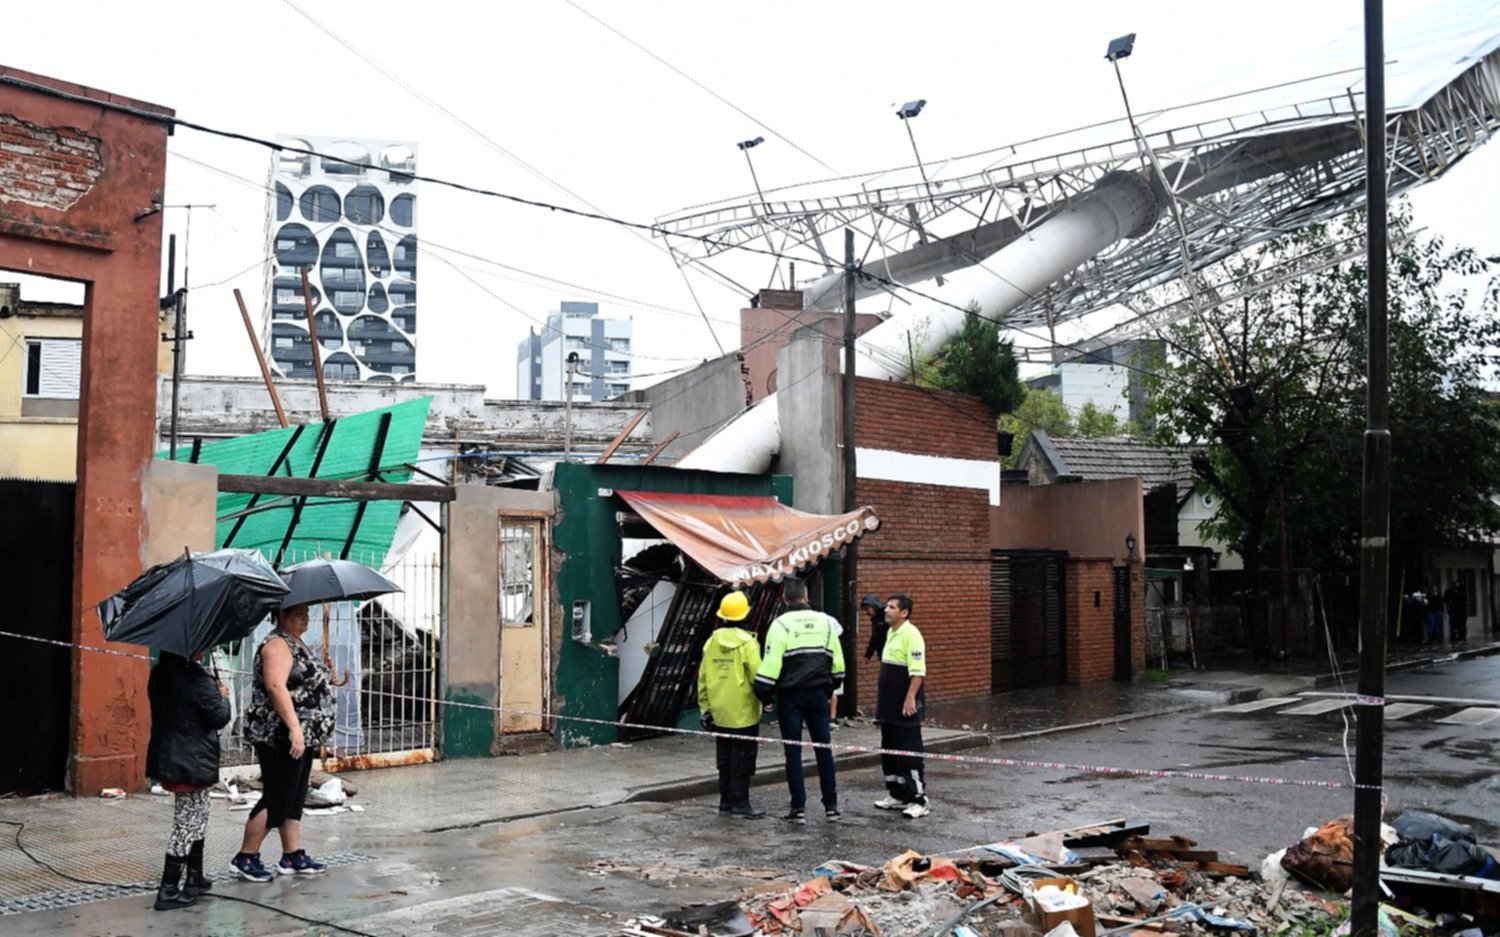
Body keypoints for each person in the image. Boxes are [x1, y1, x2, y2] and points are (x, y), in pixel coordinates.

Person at [231, 602, 336, 882]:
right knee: (277, 797)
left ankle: (292, 853)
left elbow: (299, 682)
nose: (306, 619)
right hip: (281, 735)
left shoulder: (294, 642)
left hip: (301, 734)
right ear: (282, 616)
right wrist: (294, 729)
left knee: (294, 794)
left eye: (307, 614)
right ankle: (246, 855)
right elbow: (275, 686)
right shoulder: (276, 644)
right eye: (300, 614)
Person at [754, 577, 845, 824]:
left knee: (792, 751)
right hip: (818, 694)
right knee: (823, 748)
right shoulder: (824, 622)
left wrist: (764, 695)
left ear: (784, 598)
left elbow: (771, 664)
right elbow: (837, 662)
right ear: (806, 596)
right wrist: (830, 688)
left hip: (791, 697)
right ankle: (832, 807)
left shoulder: (780, 625)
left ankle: (799, 808)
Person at [146, 651, 232, 910]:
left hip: (172, 755)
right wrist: (223, 697)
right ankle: (168, 889)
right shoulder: (197, 678)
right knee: (185, 824)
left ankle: (195, 877)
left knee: (198, 815)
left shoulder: (160, 673)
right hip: (191, 760)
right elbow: (219, 717)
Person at [697, 591, 765, 819]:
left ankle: (725, 802)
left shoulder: (711, 642)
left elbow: (703, 678)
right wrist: (767, 700)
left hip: (719, 710)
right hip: (743, 711)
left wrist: (705, 708)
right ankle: (741, 804)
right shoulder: (748, 643)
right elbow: (758, 677)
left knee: (724, 759)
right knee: (743, 760)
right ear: (745, 614)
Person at [873, 593, 929, 819]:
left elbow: (918, 671)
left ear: (904, 613)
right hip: (888, 706)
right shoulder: (891, 632)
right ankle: (897, 794)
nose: (886, 610)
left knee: (909, 752)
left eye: (892, 607)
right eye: (887, 606)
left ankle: (919, 799)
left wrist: (910, 698)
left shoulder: (911, 634)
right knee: (890, 750)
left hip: (904, 706)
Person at [861, 593, 888, 661]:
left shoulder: (885, 616)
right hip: (883, 655)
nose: (867, 612)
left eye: (867, 609)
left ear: (874, 605)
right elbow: (875, 637)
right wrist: (868, 655)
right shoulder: (875, 619)